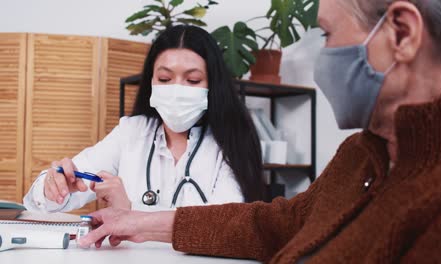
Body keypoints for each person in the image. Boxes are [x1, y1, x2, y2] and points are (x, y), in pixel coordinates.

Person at [79, 0, 441, 263]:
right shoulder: (362, 155)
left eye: (328, 36)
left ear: (400, 33)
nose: (322, 61)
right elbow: (278, 224)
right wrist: (137, 223)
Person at [23, 25, 265, 212]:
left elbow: (226, 225)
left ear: (213, 85)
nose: (177, 89)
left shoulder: (232, 141)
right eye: (164, 79)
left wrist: (130, 214)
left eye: (192, 80)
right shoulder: (131, 132)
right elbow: (44, 203)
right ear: (151, 82)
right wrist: (51, 187)